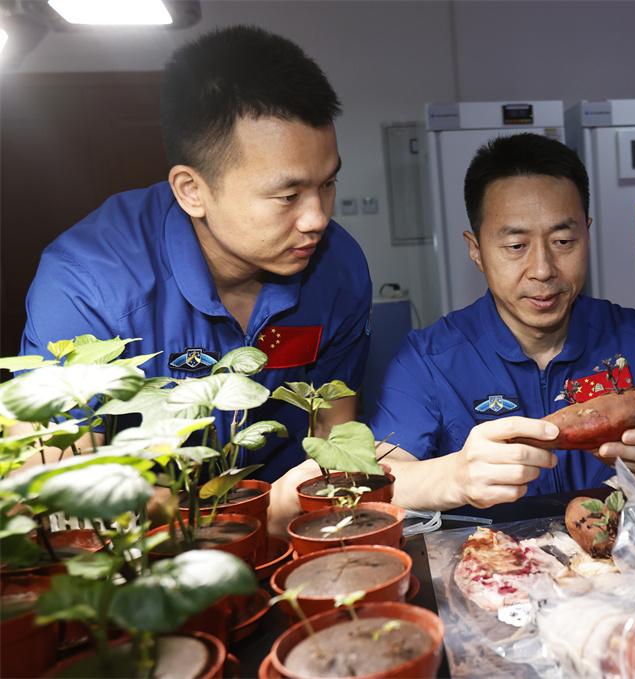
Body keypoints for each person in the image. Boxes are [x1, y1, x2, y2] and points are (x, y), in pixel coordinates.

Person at [19, 26, 371, 531]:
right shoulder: (87, 282)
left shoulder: (338, 266)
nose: (317, 218)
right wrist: (228, 525)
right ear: (192, 191)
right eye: (288, 196)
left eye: (328, 183)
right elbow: (55, 473)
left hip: (292, 527)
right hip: (144, 545)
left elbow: (336, 429)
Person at [370, 133, 635, 510]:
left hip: (622, 543)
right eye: (516, 246)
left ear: (587, 233)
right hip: (493, 546)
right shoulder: (428, 359)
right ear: (476, 250)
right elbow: (379, 477)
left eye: (563, 241)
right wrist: (456, 477)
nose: (543, 269)